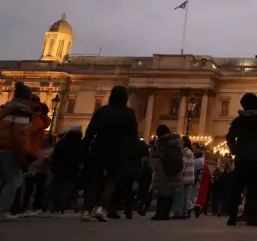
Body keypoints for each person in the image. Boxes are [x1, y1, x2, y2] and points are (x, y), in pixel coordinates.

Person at [81, 85, 138, 222]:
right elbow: (133, 135)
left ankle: (87, 210)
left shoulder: (102, 111)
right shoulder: (129, 113)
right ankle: (101, 207)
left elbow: (90, 132)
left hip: (100, 147)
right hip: (118, 149)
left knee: (95, 179)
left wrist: (85, 148)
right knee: (112, 180)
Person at [225, 92, 257, 226]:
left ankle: (232, 215)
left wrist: (235, 150)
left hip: (242, 157)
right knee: (255, 188)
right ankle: (252, 216)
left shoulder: (239, 120)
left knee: (237, 187)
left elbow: (230, 137)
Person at [0, 82, 36, 221]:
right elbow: (20, 134)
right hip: (11, 148)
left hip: (1, 147)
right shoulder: (21, 110)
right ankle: (2, 209)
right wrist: (22, 152)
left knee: (2, 178)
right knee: (13, 180)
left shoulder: (6, 107)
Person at [46, 125, 83, 215]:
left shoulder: (62, 142)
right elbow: (82, 157)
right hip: (72, 169)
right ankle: (60, 208)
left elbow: (55, 155)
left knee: (54, 186)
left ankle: (47, 207)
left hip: (59, 167)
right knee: (66, 189)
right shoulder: (80, 144)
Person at [149, 125, 184, 220]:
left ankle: (159, 213)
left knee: (162, 192)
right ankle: (166, 213)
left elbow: (155, 157)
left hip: (163, 169)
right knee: (170, 193)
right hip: (176, 169)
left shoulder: (160, 142)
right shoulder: (177, 142)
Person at [170, 136, 196, 219]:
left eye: (181, 141)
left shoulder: (184, 152)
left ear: (184, 142)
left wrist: (178, 175)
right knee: (185, 196)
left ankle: (179, 212)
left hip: (184, 177)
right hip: (189, 177)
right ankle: (184, 212)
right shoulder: (190, 152)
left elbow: (183, 165)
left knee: (180, 196)